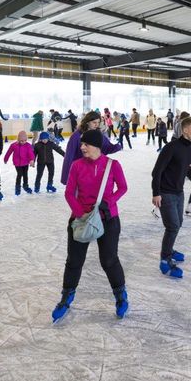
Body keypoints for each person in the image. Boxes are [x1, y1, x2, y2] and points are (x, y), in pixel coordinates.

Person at [51, 129, 129, 322]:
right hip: (80, 219)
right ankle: (66, 297)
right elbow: (69, 193)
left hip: (108, 218)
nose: (82, 147)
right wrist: (80, 213)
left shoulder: (112, 165)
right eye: (82, 144)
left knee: (109, 260)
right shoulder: (77, 165)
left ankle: (121, 296)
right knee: (74, 262)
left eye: (86, 144)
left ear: (97, 145)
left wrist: (108, 202)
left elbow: (123, 187)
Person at [151, 117, 191, 278]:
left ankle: (169, 249)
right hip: (165, 192)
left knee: (178, 223)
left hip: (179, 192)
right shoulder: (171, 148)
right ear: (185, 130)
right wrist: (156, 193)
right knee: (172, 226)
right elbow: (156, 172)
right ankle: (165, 260)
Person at [61, 111, 121, 186]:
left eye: (98, 122)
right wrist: (66, 177)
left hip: (94, 170)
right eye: (94, 122)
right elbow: (69, 156)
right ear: (87, 122)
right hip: (80, 170)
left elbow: (106, 148)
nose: (97, 125)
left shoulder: (98, 134)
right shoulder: (76, 136)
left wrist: (117, 146)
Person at [4, 131, 35, 195]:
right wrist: (6, 158)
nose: (23, 142)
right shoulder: (14, 145)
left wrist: (32, 160)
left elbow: (31, 153)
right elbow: (9, 152)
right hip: (17, 163)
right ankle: (17, 187)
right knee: (19, 174)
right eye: (21, 140)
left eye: (25, 140)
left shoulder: (28, 145)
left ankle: (25, 186)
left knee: (25, 175)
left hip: (25, 163)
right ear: (18, 139)